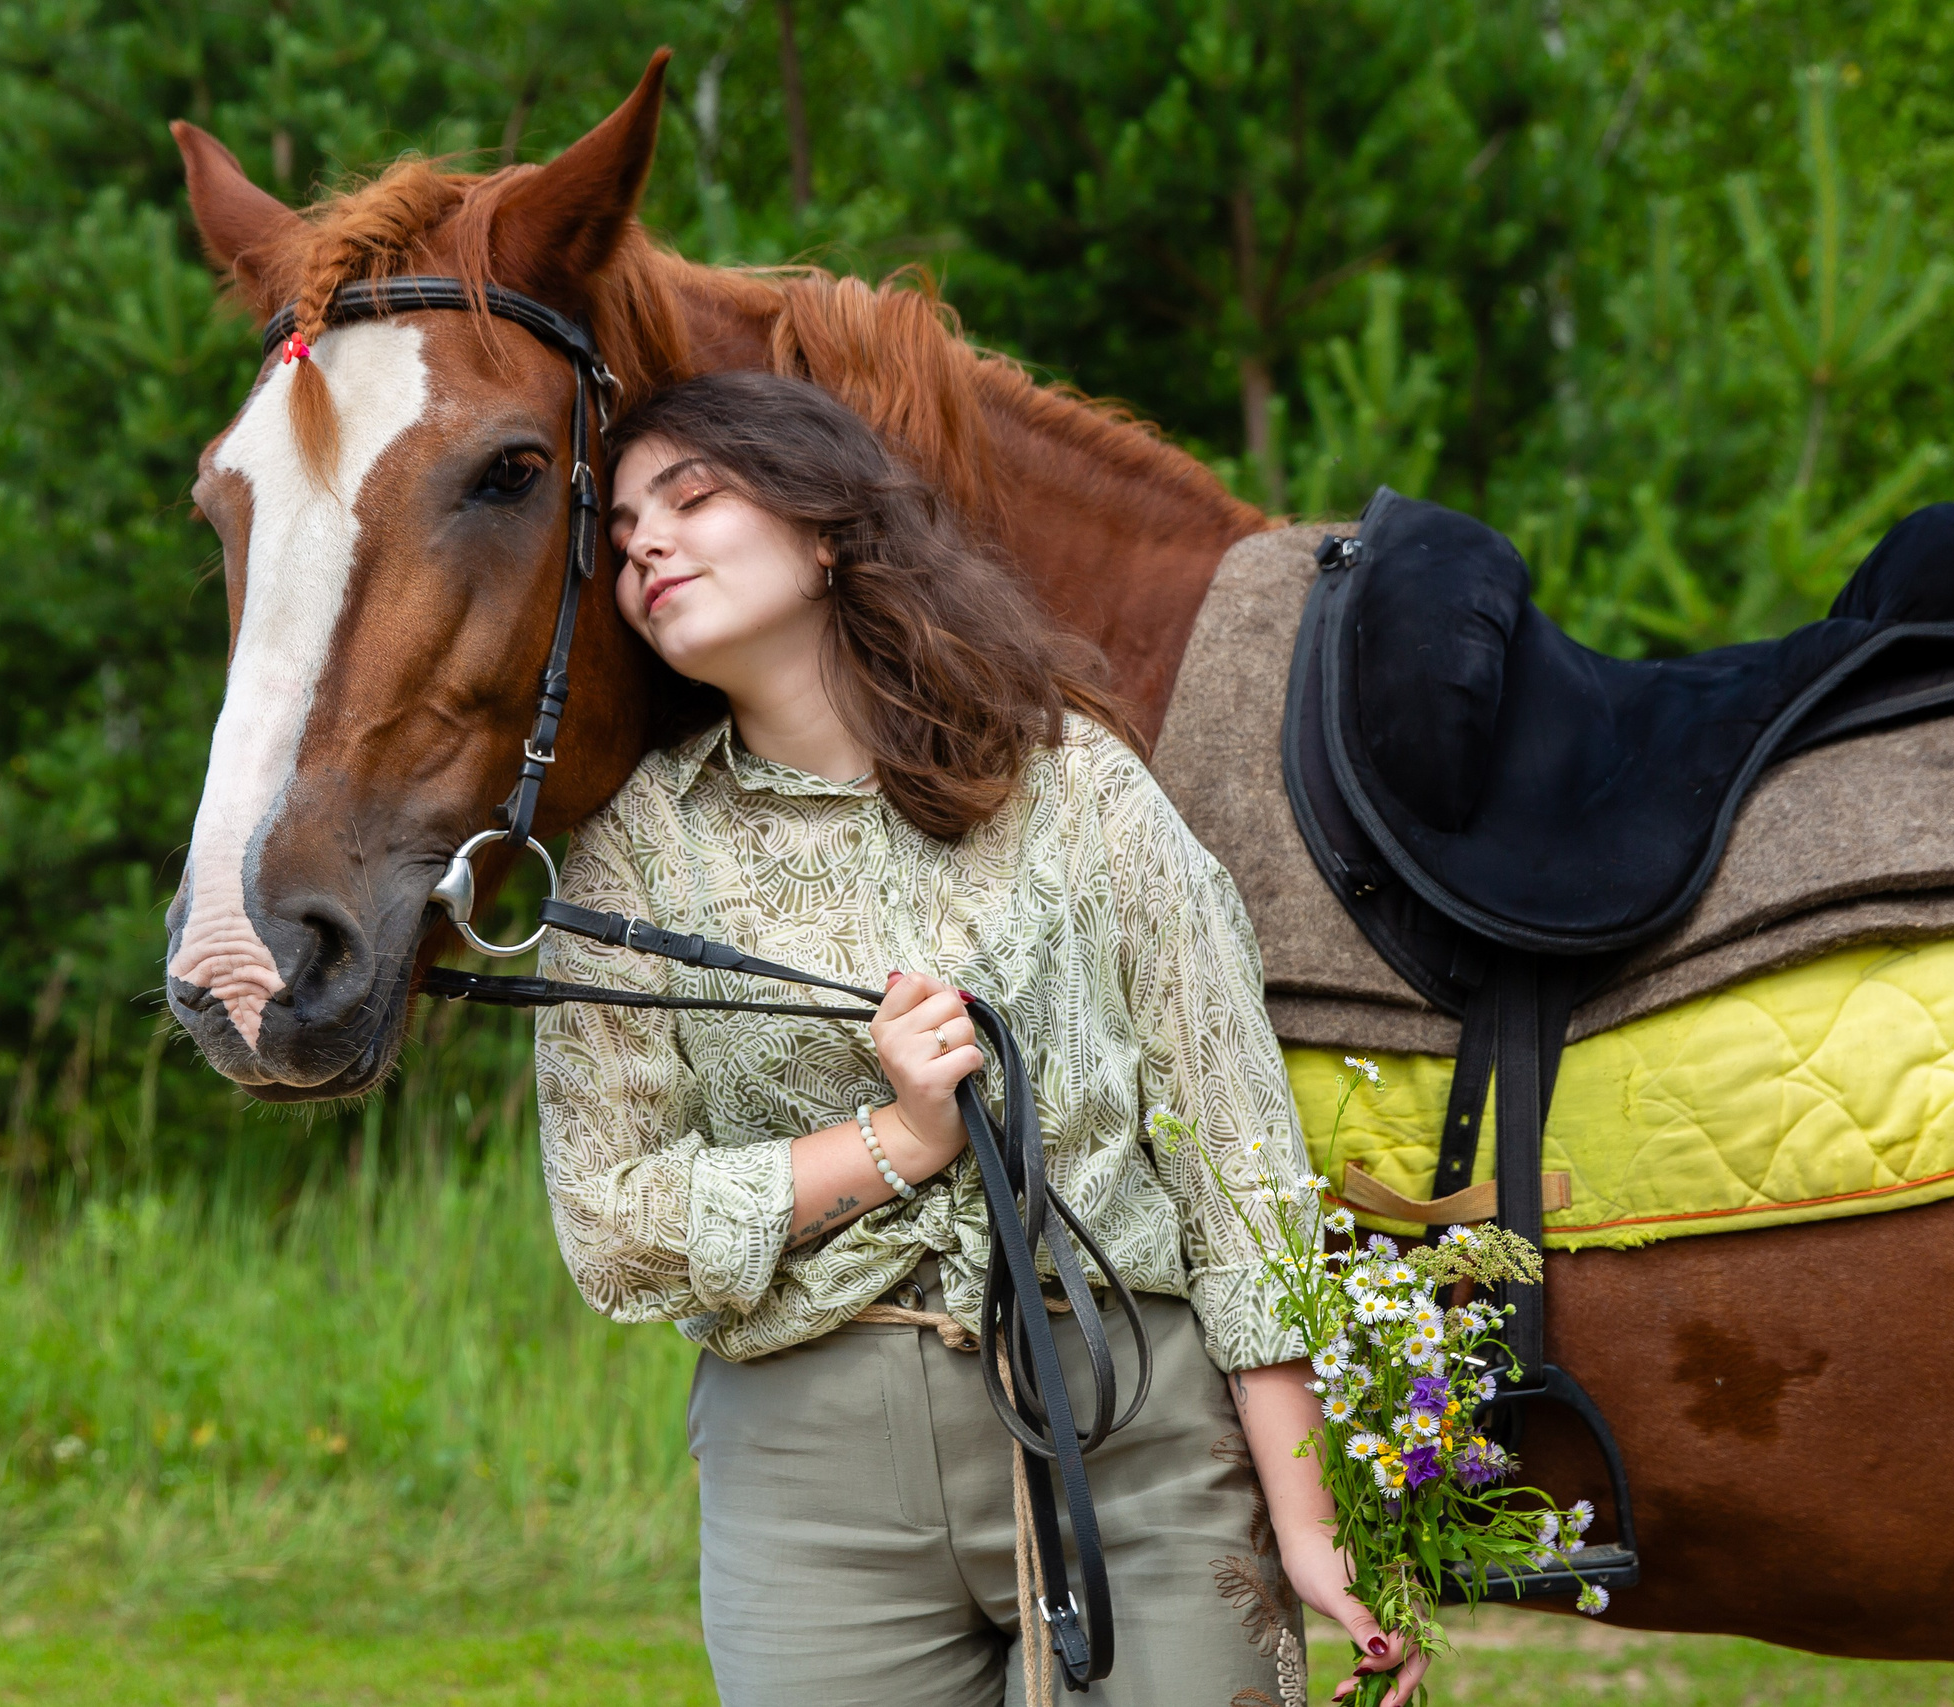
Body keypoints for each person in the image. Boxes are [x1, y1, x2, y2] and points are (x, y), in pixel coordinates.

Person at [531, 370, 1425, 1706]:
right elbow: (613, 1225)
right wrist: (899, 1140)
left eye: (691, 498)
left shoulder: (1079, 786)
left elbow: (1238, 1156)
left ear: (826, 530)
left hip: (1138, 1435)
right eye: (618, 538)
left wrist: (1309, 1513)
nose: (644, 545)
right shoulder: (628, 859)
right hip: (807, 1491)